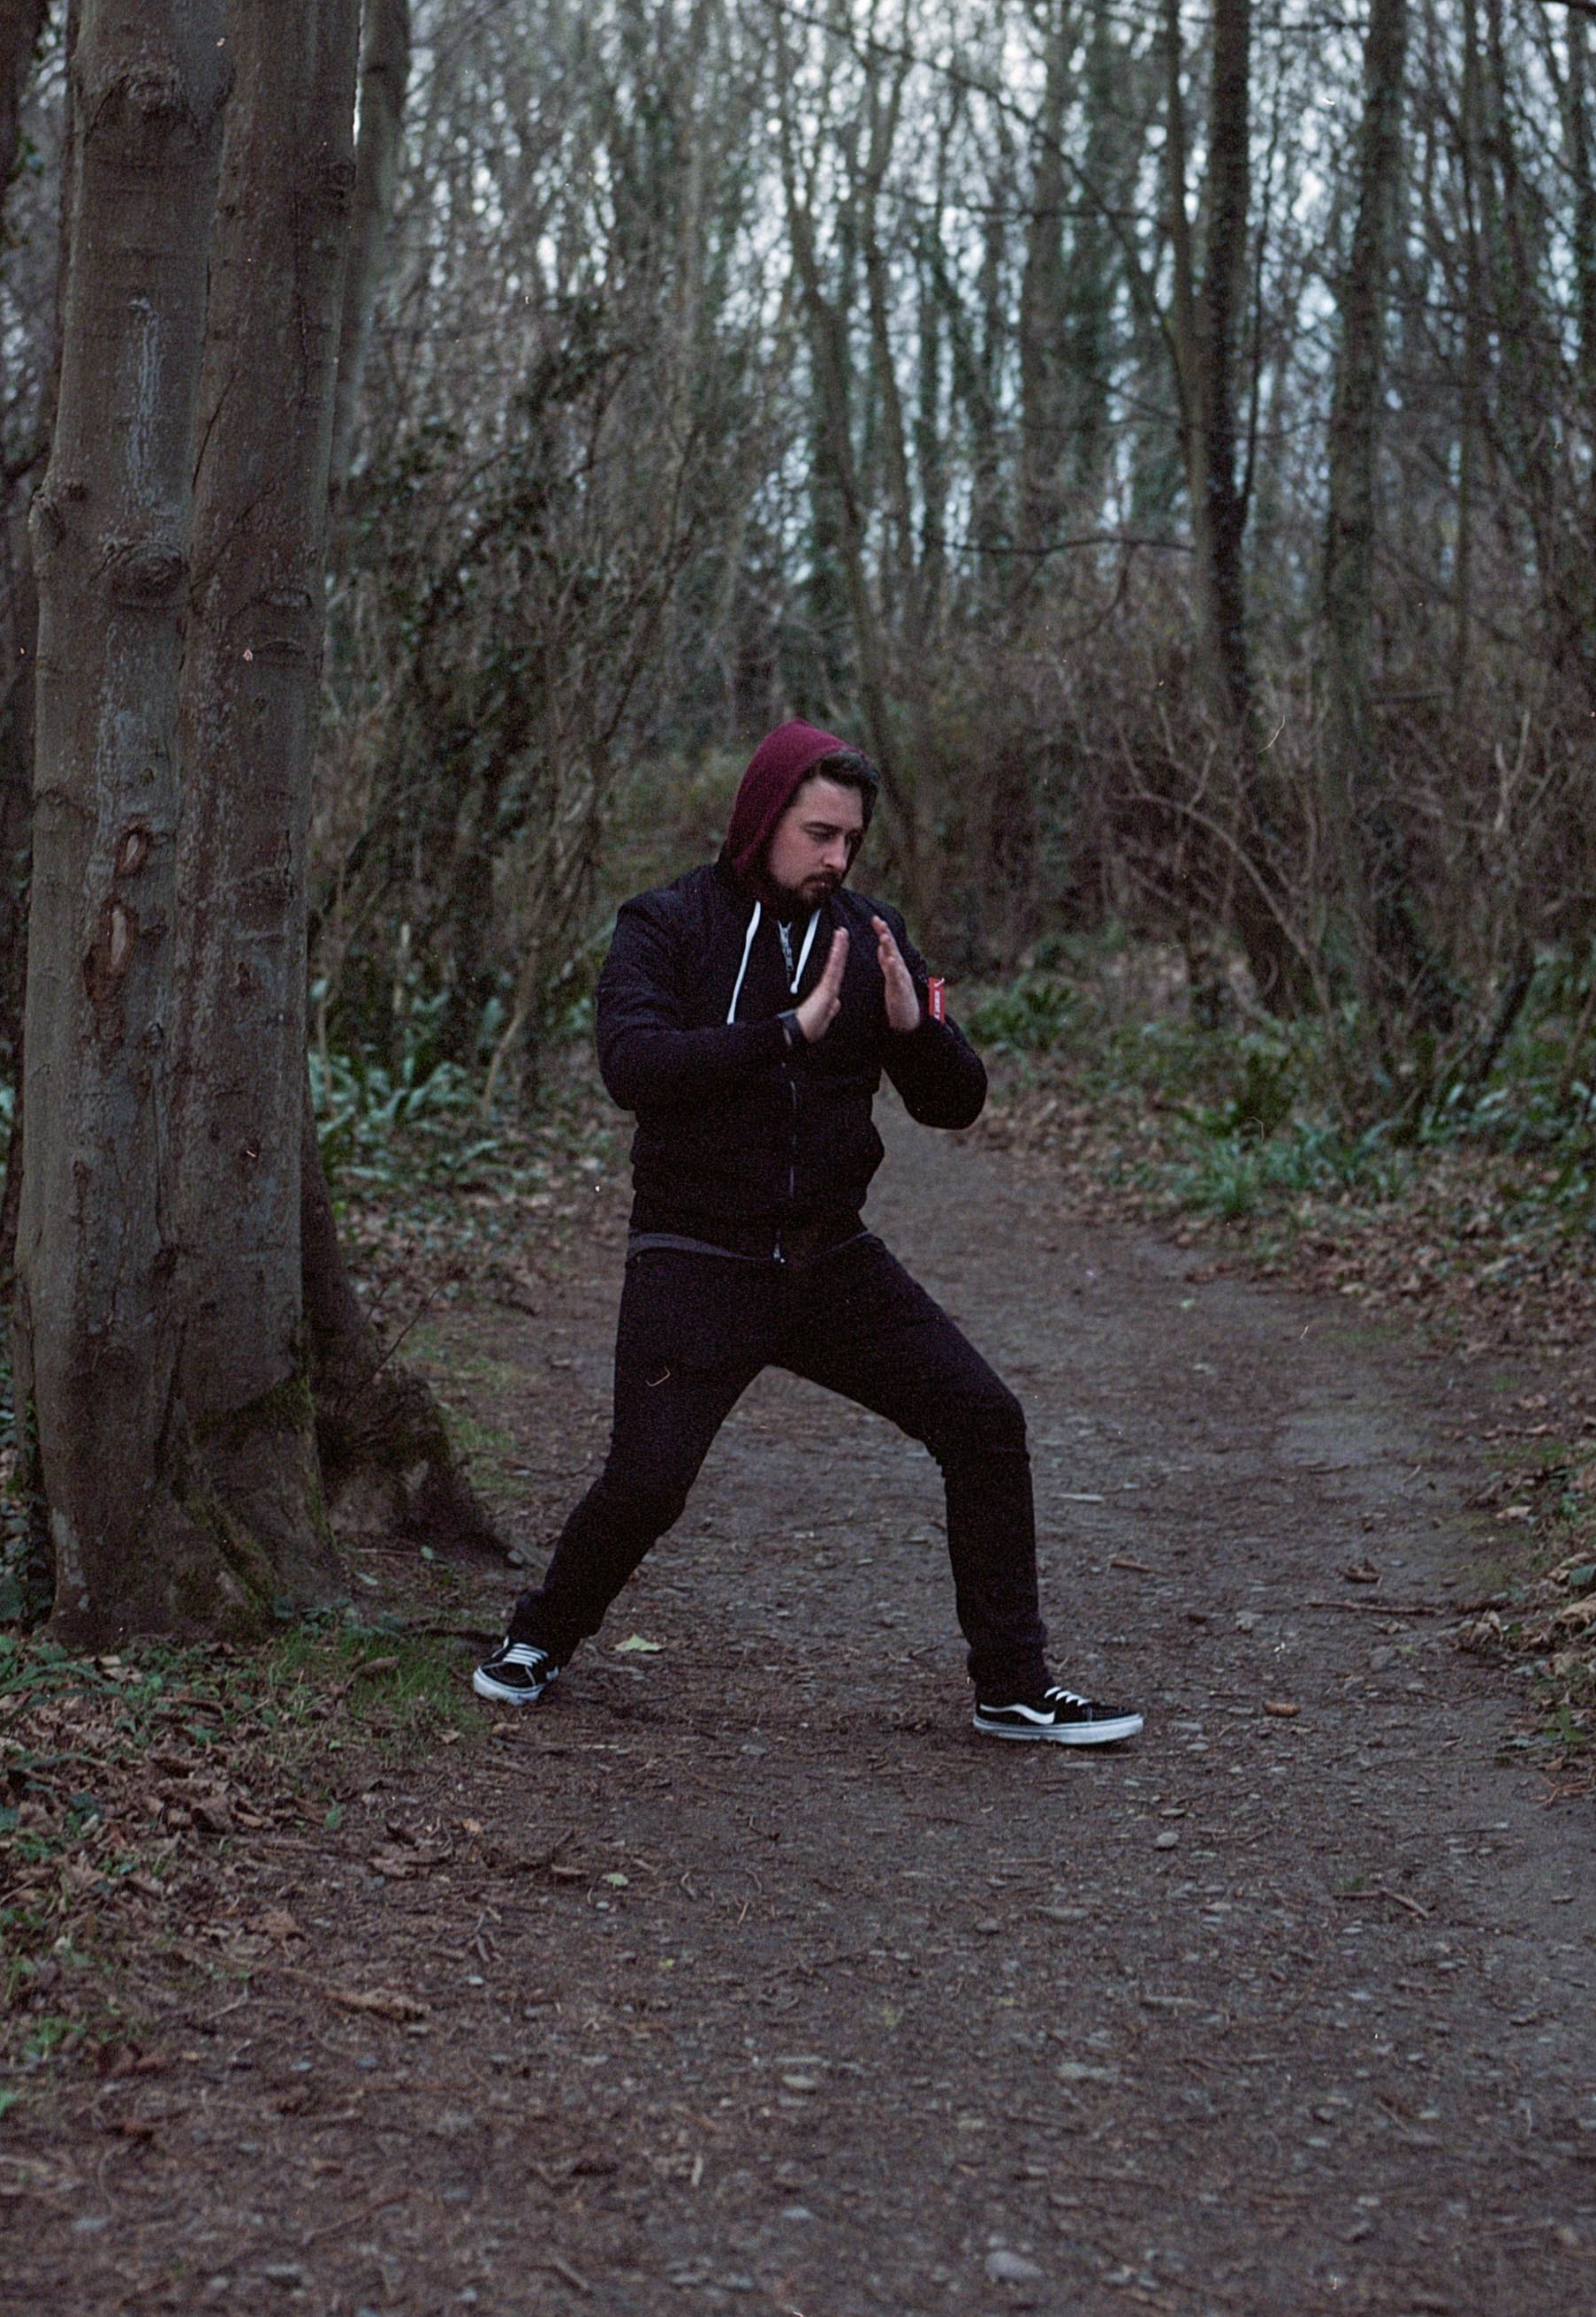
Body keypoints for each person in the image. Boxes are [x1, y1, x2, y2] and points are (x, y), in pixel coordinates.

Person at [473, 719, 1143, 1746]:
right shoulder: (665, 922)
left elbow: (955, 1102)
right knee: (646, 1484)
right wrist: (784, 1031)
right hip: (695, 1254)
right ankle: (536, 1638)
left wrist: (917, 1030)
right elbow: (632, 1064)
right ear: (762, 818)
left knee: (982, 1419)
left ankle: (1012, 1686)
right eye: (818, 833)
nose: (836, 857)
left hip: (827, 1257)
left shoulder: (870, 932)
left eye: (851, 840)